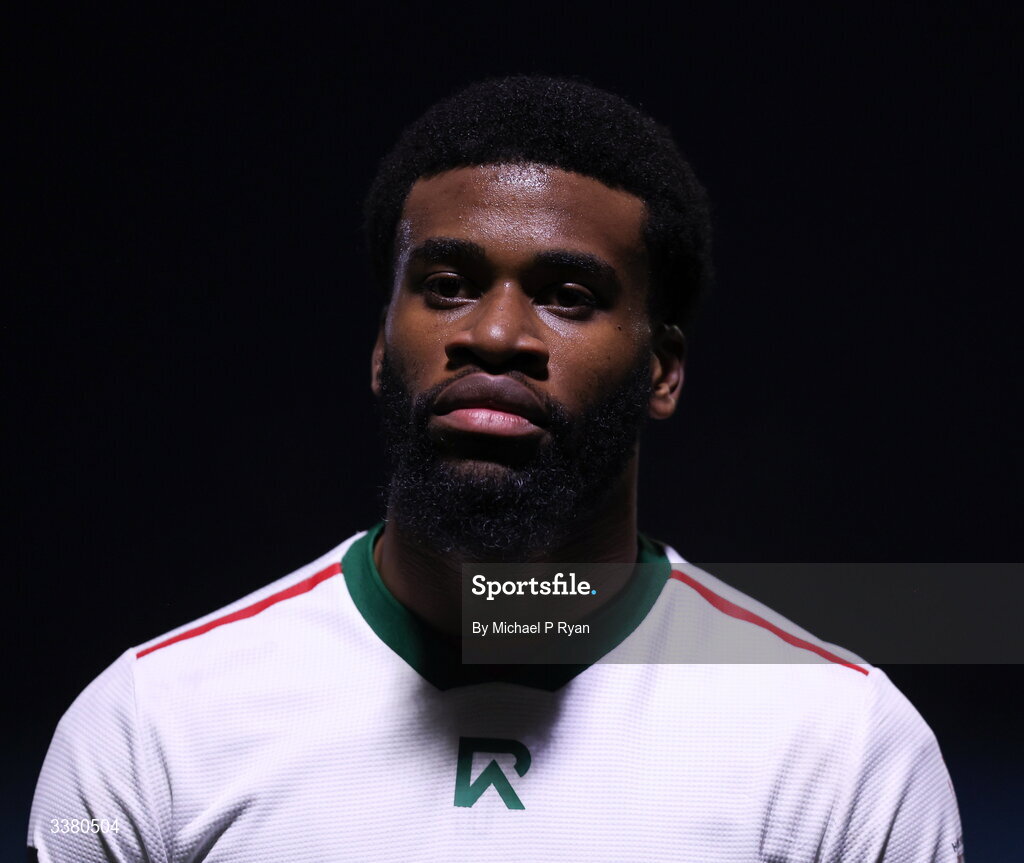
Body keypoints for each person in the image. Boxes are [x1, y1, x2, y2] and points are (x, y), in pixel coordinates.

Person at [29, 76, 964, 862]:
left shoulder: (843, 752)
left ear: (663, 370)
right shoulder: (148, 731)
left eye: (569, 295)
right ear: (380, 345)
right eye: (447, 286)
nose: (496, 332)